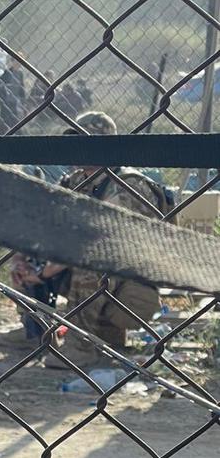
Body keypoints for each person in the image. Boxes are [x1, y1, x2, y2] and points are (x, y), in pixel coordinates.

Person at [9, 112, 169, 369]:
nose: (78, 149)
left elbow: (106, 245)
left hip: (132, 289)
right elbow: (45, 224)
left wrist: (50, 268)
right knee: (25, 254)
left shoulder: (130, 186)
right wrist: (22, 259)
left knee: (93, 261)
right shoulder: (76, 181)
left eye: (87, 141)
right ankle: (34, 329)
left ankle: (81, 346)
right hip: (81, 271)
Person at [0, 56, 25, 134]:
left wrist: (23, 100)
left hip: (15, 101)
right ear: (12, 62)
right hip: (6, 100)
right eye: (17, 61)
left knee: (11, 120)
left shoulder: (20, 73)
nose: (18, 64)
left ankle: (15, 134)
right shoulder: (7, 72)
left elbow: (21, 88)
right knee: (7, 120)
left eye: (20, 62)